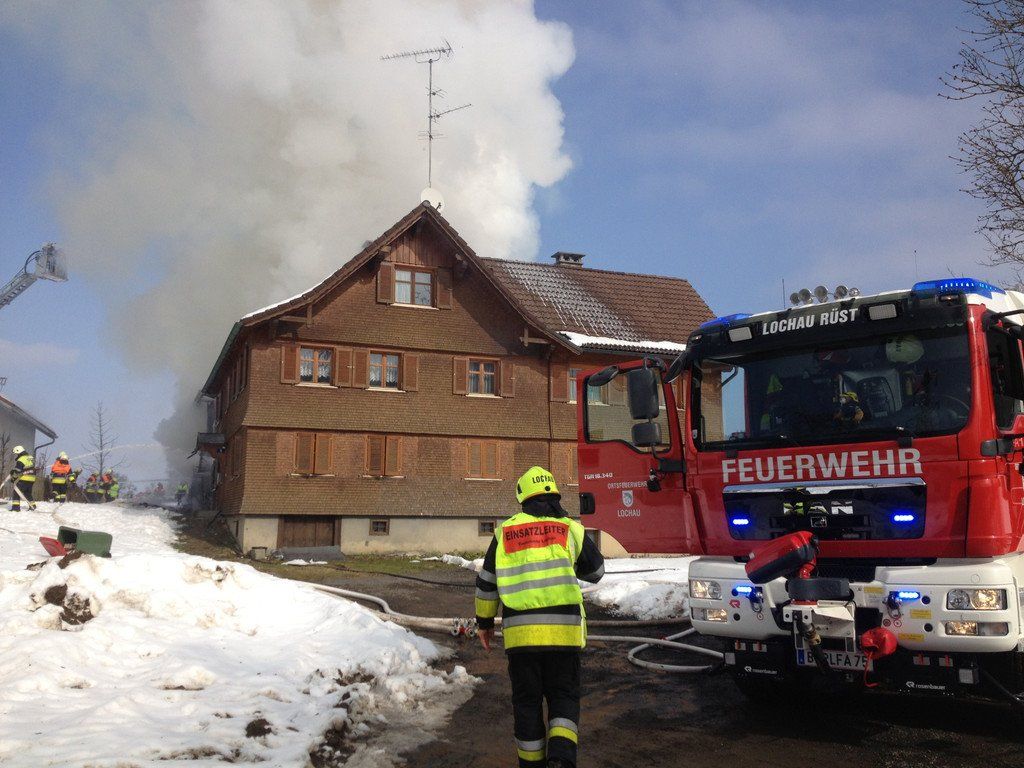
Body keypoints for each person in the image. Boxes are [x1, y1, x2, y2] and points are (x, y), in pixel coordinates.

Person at [475, 466, 605, 768]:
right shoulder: (569, 528)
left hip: (521, 639)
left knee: (526, 703)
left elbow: (486, 582)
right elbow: (596, 572)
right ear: (555, 494)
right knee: (563, 698)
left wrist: (484, 623)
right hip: (564, 636)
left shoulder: (505, 532)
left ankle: (531, 764)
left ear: (522, 497)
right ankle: (560, 760)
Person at [9, 445, 37, 511]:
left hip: (25, 478)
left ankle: (15, 508)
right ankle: (32, 505)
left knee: (16, 492)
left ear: (18, 452)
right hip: (32, 478)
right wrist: (14, 471)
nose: (16, 455)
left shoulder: (21, 459)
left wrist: (13, 478)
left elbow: (18, 471)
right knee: (27, 493)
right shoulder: (29, 457)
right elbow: (27, 468)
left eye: (16, 454)